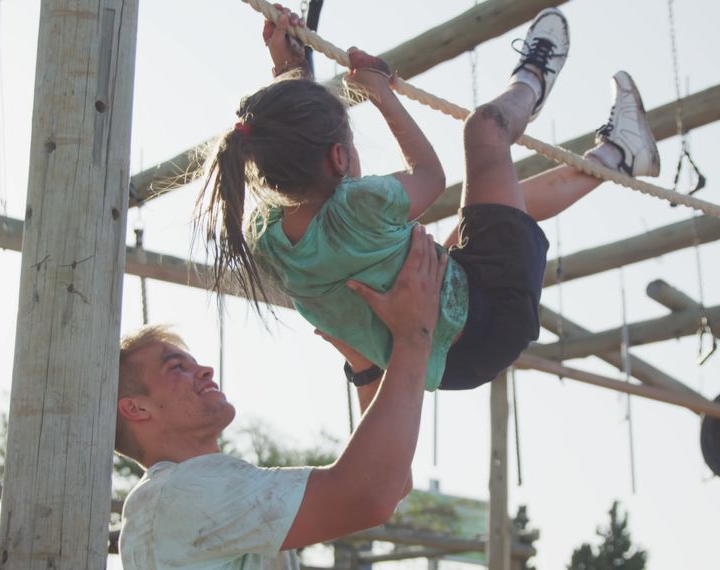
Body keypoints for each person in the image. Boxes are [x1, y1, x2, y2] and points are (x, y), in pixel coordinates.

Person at [196, 7, 661, 393]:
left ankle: (620, 154)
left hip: (452, 358)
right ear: (338, 157)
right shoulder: (358, 208)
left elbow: (307, 163)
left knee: (491, 216)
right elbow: (430, 177)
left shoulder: (266, 237)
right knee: (485, 130)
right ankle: (531, 80)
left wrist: (290, 72)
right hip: (488, 310)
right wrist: (381, 95)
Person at [117, 226, 447, 569]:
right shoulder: (180, 493)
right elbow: (370, 496)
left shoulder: (203, 495)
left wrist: (366, 371)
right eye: (176, 368)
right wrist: (412, 335)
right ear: (135, 408)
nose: (205, 371)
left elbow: (389, 485)